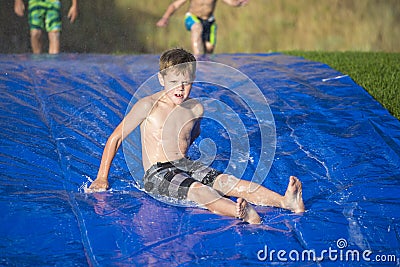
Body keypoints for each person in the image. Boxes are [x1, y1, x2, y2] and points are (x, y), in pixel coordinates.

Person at [86, 48, 305, 224]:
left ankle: (286, 201)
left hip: (185, 165)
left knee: (227, 181)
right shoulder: (148, 106)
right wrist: (102, 177)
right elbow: (116, 138)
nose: (180, 88)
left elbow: (193, 133)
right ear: (161, 79)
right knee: (199, 190)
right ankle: (241, 213)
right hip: (158, 173)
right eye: (173, 82)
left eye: (186, 82)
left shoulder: (195, 108)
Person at [156, 0, 249, 55]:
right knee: (197, 27)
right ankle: (198, 60)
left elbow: (231, 2)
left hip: (209, 21)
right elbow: (175, 5)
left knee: (209, 49)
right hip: (192, 18)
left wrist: (240, 2)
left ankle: (205, 67)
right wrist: (165, 18)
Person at [14, 0, 78, 54]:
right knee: (35, 33)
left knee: (54, 34)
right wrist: (18, 1)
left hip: (52, 2)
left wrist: (74, 5)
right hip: (36, 2)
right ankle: (37, 60)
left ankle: (54, 63)